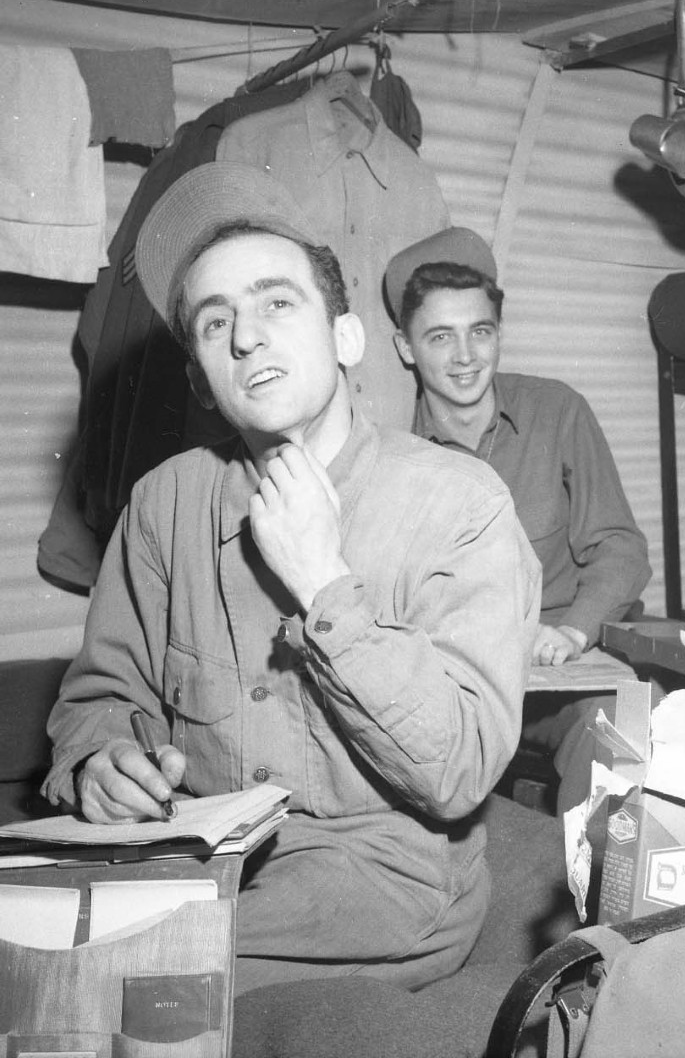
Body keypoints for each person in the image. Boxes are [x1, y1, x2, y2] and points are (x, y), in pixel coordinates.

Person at [42, 163, 542, 994]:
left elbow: (459, 772)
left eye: (277, 303)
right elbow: (101, 696)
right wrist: (102, 760)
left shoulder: (461, 502)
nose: (247, 337)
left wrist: (323, 584)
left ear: (346, 339)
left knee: (103, 971)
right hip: (200, 853)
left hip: (380, 878)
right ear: (202, 380)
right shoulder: (165, 504)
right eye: (216, 322)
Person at [384, 227, 651, 813]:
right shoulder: (385, 447)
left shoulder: (557, 411)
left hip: (554, 681)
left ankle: (597, 871)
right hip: (445, 686)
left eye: (480, 331)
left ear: (499, 333)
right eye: (440, 337)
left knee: (626, 732)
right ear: (405, 347)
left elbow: (621, 548)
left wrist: (574, 631)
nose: (465, 356)